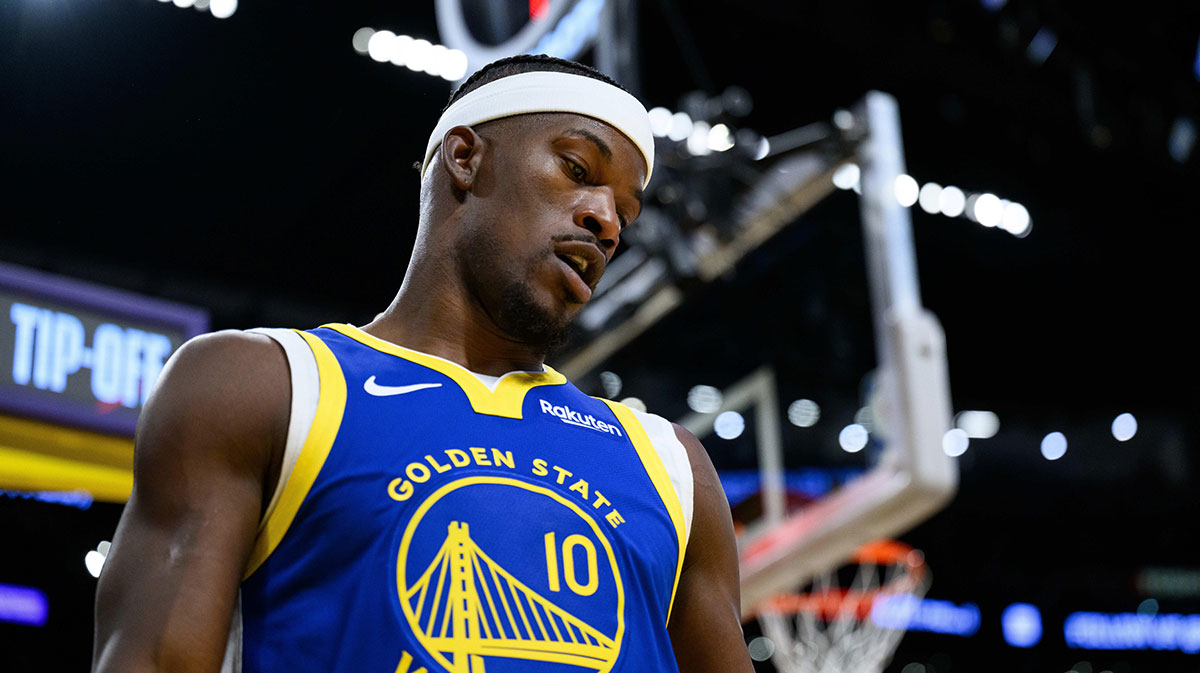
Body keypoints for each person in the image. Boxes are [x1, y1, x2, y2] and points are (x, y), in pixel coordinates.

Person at [92, 54, 753, 673]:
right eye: (577, 170)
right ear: (465, 159)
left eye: (626, 212)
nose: (607, 220)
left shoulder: (671, 466)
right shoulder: (264, 387)